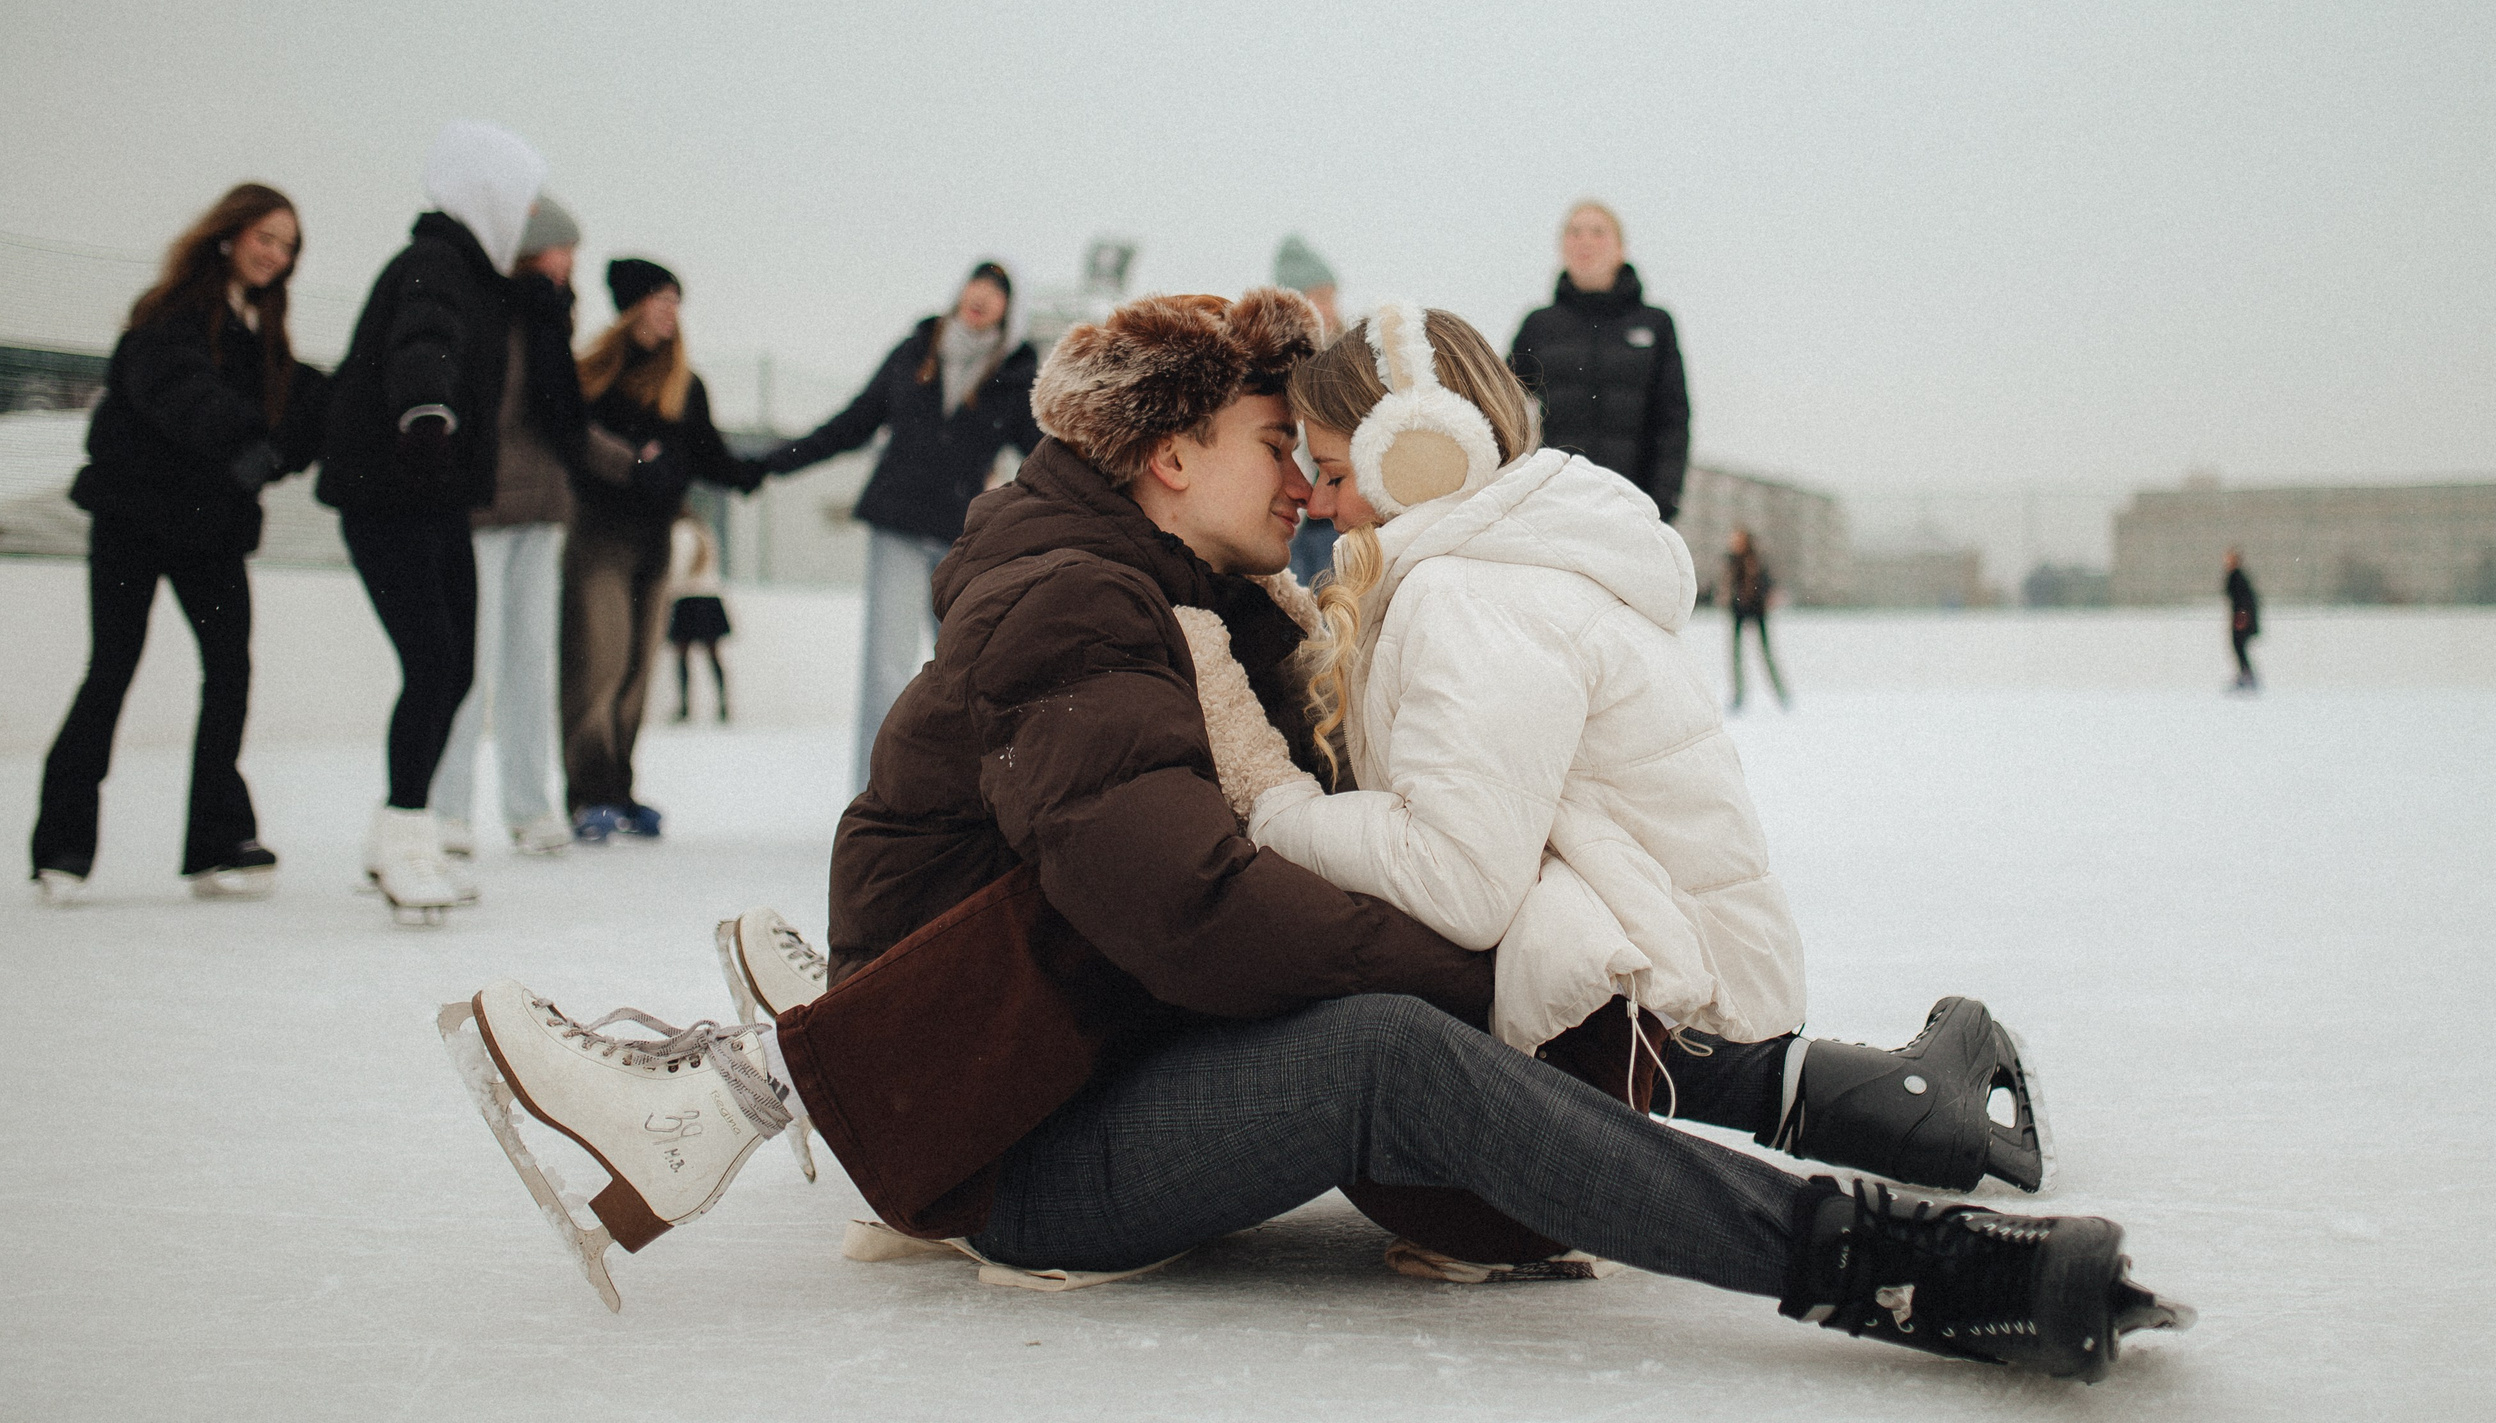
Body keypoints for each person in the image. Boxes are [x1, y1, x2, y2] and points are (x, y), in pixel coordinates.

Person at [447, 290, 2185, 1382]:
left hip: (1061, 1064)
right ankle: (1870, 1264)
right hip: (1025, 1149)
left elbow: (1287, 852)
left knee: (1406, 976)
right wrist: (1476, 952)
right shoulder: (1080, 598)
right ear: (1164, 456)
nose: (1308, 480)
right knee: (1375, 1032)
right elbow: (1200, 912)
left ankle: (795, 1051)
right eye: (1278, 444)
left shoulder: (1196, 596)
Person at [1205, 306, 2039, 1205]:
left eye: (1332, 472)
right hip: (1670, 934)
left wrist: (1280, 815)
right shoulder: (1493, 561)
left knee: (1433, 957)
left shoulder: (1473, 595)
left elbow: (1458, 879)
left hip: (1671, 970)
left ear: (1421, 454)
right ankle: (1871, 1094)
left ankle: (1899, 1100)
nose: (1319, 500)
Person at [30, 183, 330, 904]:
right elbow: (183, 394)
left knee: (229, 673)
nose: (276, 254)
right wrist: (250, 446)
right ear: (229, 234)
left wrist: (309, 422)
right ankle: (62, 847)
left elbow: (283, 413)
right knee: (112, 669)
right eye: (267, 236)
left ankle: (216, 840)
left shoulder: (260, 328)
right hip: (135, 519)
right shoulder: (171, 312)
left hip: (209, 530)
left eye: (288, 245)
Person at [319, 122, 551, 919]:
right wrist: (428, 407)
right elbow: (425, 343)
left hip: (435, 494)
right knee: (434, 662)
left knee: (452, 670)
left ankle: (397, 830)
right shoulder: (434, 265)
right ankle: (406, 836)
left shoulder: (477, 277)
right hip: (392, 491)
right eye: (515, 198)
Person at [756, 262, 1037, 791]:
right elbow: (853, 423)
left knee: (965, 669)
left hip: (963, 539)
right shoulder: (915, 352)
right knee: (886, 669)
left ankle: (967, 800)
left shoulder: (1015, 374)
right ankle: (872, 797)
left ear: (1009, 310)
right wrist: (770, 462)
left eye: (998, 290)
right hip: (899, 525)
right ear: (960, 291)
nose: (982, 295)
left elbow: (1040, 454)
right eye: (978, 282)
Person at [560, 257, 765, 842]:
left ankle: (620, 790)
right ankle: (588, 794)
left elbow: (713, 457)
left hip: (654, 544)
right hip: (599, 538)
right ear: (631, 307)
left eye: (676, 301)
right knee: (595, 666)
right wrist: (635, 464)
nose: (670, 311)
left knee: (634, 674)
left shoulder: (685, 386)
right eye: (659, 298)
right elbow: (575, 444)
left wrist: (768, 466)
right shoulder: (594, 376)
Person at [425, 194, 587, 861]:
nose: (572, 261)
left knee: (530, 664)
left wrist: (625, 462)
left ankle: (529, 804)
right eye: (564, 248)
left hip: (542, 511)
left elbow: (566, 423)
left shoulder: (552, 318)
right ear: (533, 249)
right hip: (486, 509)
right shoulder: (495, 310)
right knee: (468, 661)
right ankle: (446, 808)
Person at [1506, 200, 1690, 522]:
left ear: (1621, 249)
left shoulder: (1655, 325)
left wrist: (1662, 502)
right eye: (1574, 232)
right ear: (1562, 247)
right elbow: (1500, 403)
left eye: (1598, 232)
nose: (1585, 241)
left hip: (1633, 505)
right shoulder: (1539, 326)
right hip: (1554, 503)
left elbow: (1672, 420)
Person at [1272, 234, 1345, 587]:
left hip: (1328, 521)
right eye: (1322, 299)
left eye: (1332, 299)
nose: (1331, 310)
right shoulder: (1272, 376)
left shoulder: (1345, 365)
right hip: (1296, 521)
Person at [666, 511, 732, 722]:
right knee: (712, 653)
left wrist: (668, 591)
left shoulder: (681, 532)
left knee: (683, 653)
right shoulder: (705, 531)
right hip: (709, 596)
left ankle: (686, 706)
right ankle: (723, 704)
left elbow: (678, 568)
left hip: (689, 598)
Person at [1725, 527, 1788, 710]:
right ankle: (1739, 696)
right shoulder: (1733, 560)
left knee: (1765, 653)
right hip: (1739, 610)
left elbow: (1765, 582)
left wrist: (1766, 596)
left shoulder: (1755, 560)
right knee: (1736, 656)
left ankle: (1781, 695)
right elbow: (1729, 584)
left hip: (1756, 609)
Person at [2225, 547, 2260, 691]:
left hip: (2241, 618)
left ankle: (2247, 676)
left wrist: (2242, 617)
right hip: (2241, 617)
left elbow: (2244, 599)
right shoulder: (2235, 576)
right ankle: (2245, 675)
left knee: (2239, 646)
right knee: (2239, 647)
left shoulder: (2237, 576)